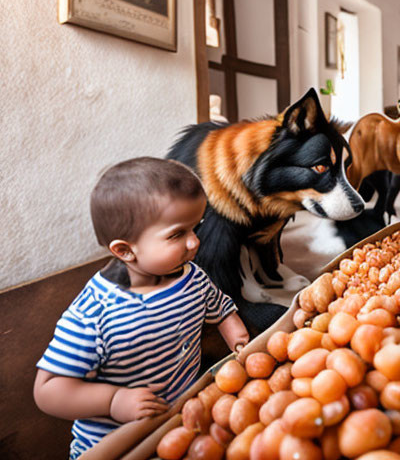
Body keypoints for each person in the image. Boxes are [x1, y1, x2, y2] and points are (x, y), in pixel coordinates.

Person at [33, 157, 249, 459]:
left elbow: (220, 308)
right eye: (177, 234)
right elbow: (48, 390)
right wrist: (113, 400)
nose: (194, 242)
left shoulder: (191, 277)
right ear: (125, 250)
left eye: (195, 228)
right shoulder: (94, 315)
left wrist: (238, 338)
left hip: (177, 423)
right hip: (115, 444)